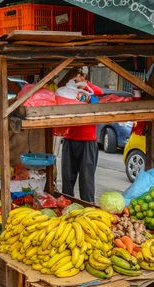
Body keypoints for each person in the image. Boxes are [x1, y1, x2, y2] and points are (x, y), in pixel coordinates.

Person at [61, 66, 103, 203]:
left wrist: (85, 85)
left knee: (86, 179)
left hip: (88, 141)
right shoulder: (68, 91)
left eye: (79, 75)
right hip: (70, 139)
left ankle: (89, 207)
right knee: (67, 177)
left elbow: (100, 92)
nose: (76, 78)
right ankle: (66, 205)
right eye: (75, 76)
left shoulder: (91, 91)